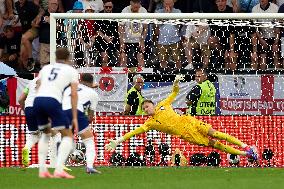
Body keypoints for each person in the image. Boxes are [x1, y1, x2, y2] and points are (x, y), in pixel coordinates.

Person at [106, 75, 258, 162]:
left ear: (152, 105)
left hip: (189, 120)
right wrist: (118, 141)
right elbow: (133, 132)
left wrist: (176, 82)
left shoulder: (163, 104)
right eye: (143, 109)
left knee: (215, 133)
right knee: (216, 144)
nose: (145, 110)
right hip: (187, 134)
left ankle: (245, 146)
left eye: (146, 107)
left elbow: (174, 92)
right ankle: (247, 154)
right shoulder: (149, 123)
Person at [33, 47, 79, 179]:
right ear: (68, 58)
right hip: (52, 101)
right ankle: (59, 169)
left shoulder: (46, 68)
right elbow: (74, 94)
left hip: (38, 100)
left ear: (55, 57)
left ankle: (42, 170)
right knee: (68, 135)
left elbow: (38, 86)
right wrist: (74, 117)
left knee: (46, 133)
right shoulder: (71, 71)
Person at [62, 73, 101, 174]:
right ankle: (89, 167)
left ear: (80, 79)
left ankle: (61, 165)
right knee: (89, 141)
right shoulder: (93, 93)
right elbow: (90, 116)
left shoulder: (69, 88)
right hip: (77, 112)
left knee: (66, 139)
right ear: (92, 82)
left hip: (62, 112)